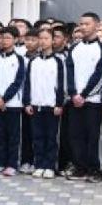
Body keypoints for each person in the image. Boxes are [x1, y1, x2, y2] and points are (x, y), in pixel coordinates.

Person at [66, 13, 102, 182]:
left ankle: (95, 169)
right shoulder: (74, 47)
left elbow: (101, 74)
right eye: (81, 24)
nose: (83, 27)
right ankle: (80, 167)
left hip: (93, 100)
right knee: (75, 135)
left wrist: (84, 94)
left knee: (94, 136)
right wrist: (73, 93)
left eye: (87, 24)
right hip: (74, 99)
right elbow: (69, 71)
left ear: (97, 26)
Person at [23, 27, 65, 179]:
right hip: (35, 104)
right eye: (40, 38)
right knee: (37, 137)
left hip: (51, 105)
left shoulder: (59, 61)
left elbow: (61, 84)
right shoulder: (33, 61)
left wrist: (59, 104)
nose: (42, 41)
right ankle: (39, 164)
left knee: (51, 137)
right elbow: (28, 83)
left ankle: (50, 166)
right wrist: (27, 102)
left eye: (46, 38)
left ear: (53, 40)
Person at [0, 26, 27, 176]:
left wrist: (4, 99)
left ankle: (12, 164)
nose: (4, 41)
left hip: (13, 104)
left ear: (16, 40)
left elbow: (18, 82)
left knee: (13, 136)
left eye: (8, 38)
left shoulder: (19, 59)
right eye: (2, 38)